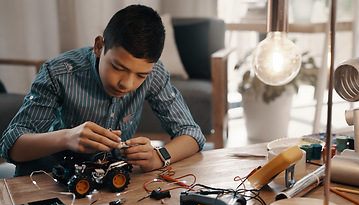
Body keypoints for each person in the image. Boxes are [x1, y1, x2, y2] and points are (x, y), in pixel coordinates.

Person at [0, 4, 205, 176]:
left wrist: (158, 156)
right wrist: (67, 138)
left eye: (140, 75)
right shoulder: (59, 72)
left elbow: (192, 133)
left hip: (108, 177)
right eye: (118, 67)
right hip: (51, 174)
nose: (127, 83)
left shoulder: (154, 74)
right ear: (99, 46)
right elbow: (11, 147)